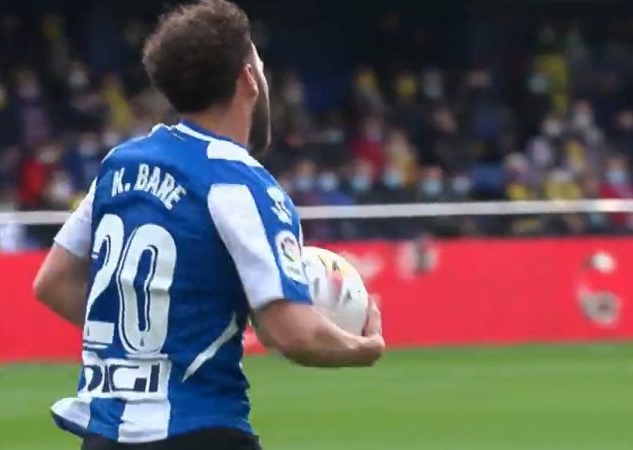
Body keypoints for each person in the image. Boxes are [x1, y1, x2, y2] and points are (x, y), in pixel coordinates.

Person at [32, 1, 384, 449]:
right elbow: (292, 332)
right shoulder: (242, 184)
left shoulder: (120, 165)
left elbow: (53, 282)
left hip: (105, 435)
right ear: (248, 79)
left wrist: (146, 349)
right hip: (200, 431)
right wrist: (363, 348)